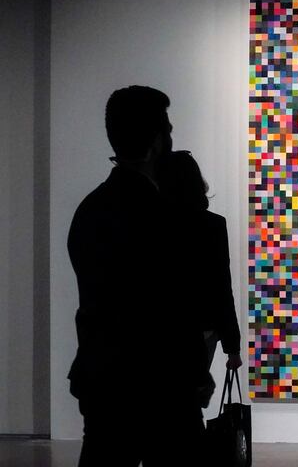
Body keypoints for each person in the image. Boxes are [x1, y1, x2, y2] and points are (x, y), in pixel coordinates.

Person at [67, 86, 208, 466]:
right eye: (168, 131)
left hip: (103, 378)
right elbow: (178, 305)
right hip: (162, 383)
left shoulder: (90, 209)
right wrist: (197, 371)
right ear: (157, 142)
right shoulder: (165, 216)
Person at [158, 150, 243, 407]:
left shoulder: (153, 224)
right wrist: (232, 346)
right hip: (203, 327)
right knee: (190, 402)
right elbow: (221, 286)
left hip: (162, 326)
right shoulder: (212, 225)